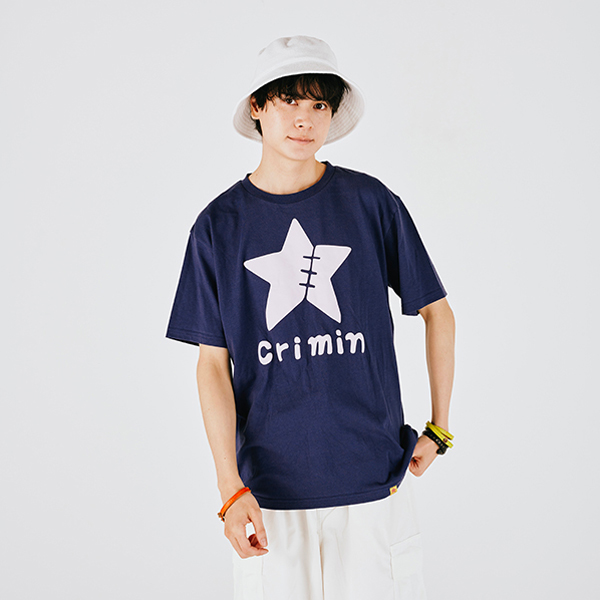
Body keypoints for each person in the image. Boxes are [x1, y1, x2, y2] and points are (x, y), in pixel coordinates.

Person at [166, 35, 455, 600]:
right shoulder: (218, 227)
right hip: (269, 494)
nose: (305, 119)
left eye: (319, 104)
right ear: (257, 107)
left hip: (373, 484)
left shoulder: (371, 203)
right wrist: (229, 488)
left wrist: (439, 427)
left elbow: (437, 312)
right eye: (289, 101)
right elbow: (211, 365)